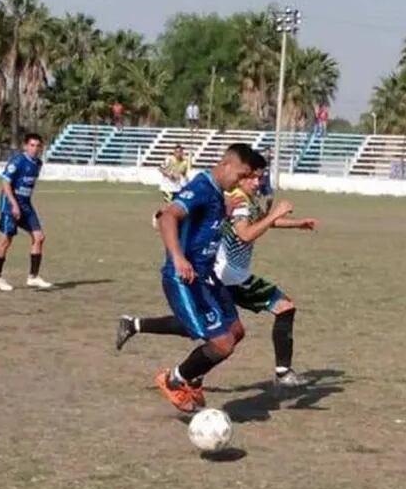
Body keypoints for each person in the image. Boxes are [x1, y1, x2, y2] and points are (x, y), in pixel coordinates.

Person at [118, 165, 316, 390]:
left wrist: (296, 223)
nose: (257, 183)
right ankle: (282, 373)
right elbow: (246, 234)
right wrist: (275, 213)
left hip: (226, 274)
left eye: (259, 178)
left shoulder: (243, 199)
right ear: (240, 178)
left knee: (220, 330)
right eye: (252, 178)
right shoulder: (238, 200)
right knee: (283, 308)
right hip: (230, 276)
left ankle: (137, 327)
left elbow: (259, 221)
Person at [142, 144, 256, 412]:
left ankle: (191, 379)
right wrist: (179, 258)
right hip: (185, 277)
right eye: (241, 175)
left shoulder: (218, 193)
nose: (242, 182)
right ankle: (173, 380)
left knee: (236, 331)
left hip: (207, 277)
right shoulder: (203, 187)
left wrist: (223, 211)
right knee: (222, 344)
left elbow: (203, 223)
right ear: (226, 164)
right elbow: (168, 216)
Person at [0, 133, 53, 292]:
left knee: (39, 237)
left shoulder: (38, 163)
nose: (35, 148)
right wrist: (14, 204)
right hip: (10, 204)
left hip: (25, 204)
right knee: (6, 240)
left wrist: (24, 203)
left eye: (38, 146)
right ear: (25, 146)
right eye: (32, 145)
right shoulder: (17, 161)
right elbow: (5, 182)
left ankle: (33, 277)